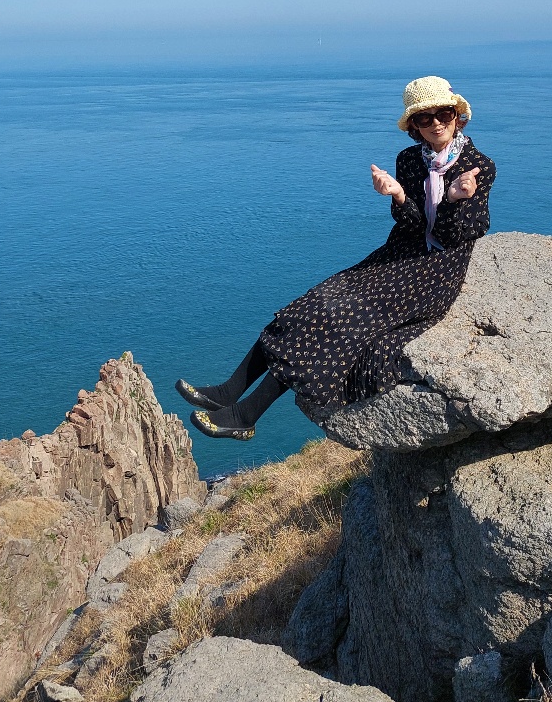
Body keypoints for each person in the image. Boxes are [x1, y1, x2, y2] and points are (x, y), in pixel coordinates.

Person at [176, 75, 496, 441]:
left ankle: (245, 415)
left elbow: (454, 237)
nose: (436, 123)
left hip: (436, 271)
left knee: (339, 324)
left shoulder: (478, 166)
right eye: (425, 117)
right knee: (310, 305)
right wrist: (398, 196)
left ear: (457, 115)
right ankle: (229, 391)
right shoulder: (409, 159)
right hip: (400, 253)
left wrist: (454, 200)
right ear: (414, 126)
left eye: (444, 113)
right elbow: (414, 225)